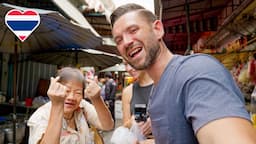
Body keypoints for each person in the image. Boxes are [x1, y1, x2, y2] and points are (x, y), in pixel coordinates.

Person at [110, 3, 256, 144]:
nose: (127, 41)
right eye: (119, 40)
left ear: (158, 29)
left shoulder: (196, 71)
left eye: (133, 30)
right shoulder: (157, 90)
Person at [27, 67, 114, 144]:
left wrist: (97, 99)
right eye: (67, 91)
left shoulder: (82, 106)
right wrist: (57, 105)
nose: (71, 97)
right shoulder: (41, 115)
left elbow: (108, 126)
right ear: (55, 89)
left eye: (78, 92)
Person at [122, 61, 154, 143]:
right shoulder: (127, 92)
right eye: (125, 64)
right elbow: (125, 126)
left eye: (131, 63)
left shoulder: (163, 85)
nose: (128, 68)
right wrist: (133, 121)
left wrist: (155, 122)